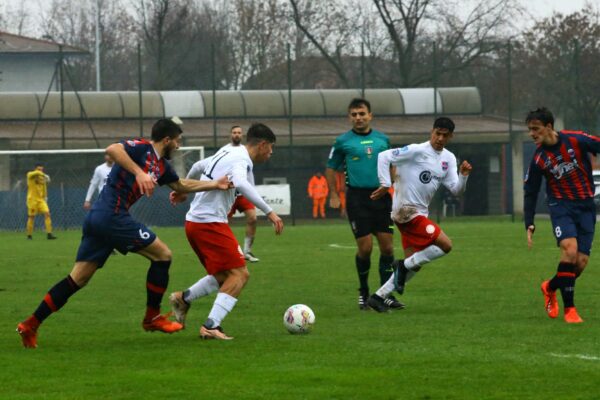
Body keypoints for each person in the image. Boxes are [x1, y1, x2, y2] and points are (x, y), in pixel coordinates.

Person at [16, 118, 231, 348]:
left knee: (77, 279)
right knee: (163, 255)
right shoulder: (142, 148)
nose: (178, 146)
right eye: (177, 141)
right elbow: (112, 149)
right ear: (167, 140)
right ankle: (152, 318)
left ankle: (30, 324)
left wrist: (214, 184)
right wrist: (139, 173)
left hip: (101, 219)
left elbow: (180, 185)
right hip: (111, 216)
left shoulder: (162, 168)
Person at [168, 123, 284, 340]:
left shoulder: (229, 150)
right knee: (240, 274)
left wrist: (182, 189)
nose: (271, 153)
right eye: (271, 148)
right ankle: (211, 326)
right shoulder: (241, 159)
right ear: (263, 144)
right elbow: (241, 182)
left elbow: (200, 165)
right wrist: (270, 212)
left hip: (196, 223)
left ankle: (183, 298)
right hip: (209, 223)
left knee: (224, 276)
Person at [366, 117, 472, 312]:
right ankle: (401, 267)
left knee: (415, 262)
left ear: (450, 136)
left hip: (419, 213)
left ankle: (378, 297)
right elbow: (384, 157)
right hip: (406, 211)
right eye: (437, 133)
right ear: (431, 132)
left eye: (444, 135)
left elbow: (456, 190)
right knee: (446, 245)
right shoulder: (417, 150)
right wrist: (385, 183)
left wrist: (464, 176)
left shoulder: (448, 159)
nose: (439, 138)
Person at [524, 107, 600, 324]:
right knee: (569, 250)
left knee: (580, 264)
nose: (532, 134)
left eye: (536, 129)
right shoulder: (538, 159)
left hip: (586, 206)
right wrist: (529, 222)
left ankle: (550, 287)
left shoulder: (575, 140)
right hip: (561, 207)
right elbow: (530, 192)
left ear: (549, 127)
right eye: (530, 129)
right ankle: (570, 311)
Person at [325, 98, 403, 311]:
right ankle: (364, 292)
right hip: (357, 199)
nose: (358, 118)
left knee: (387, 248)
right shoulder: (342, 142)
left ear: (370, 115)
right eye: (354, 114)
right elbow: (331, 167)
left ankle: (385, 295)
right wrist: (333, 194)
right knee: (366, 248)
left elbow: (392, 165)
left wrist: (392, 187)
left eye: (362, 113)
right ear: (349, 117)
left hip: (382, 198)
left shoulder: (383, 140)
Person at [226, 125, 260, 262]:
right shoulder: (225, 150)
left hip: (243, 193)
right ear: (230, 135)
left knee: (253, 218)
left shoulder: (246, 151)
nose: (236, 135)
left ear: (242, 136)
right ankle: (229, 252)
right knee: (223, 224)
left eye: (239, 133)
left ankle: (247, 251)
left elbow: (249, 171)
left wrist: (251, 189)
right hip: (229, 193)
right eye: (234, 132)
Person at [26, 163, 57, 240]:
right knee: (32, 217)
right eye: (39, 169)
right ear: (35, 169)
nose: (40, 171)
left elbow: (44, 187)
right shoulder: (30, 175)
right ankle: (29, 235)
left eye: (42, 169)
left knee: (47, 214)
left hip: (41, 200)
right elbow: (35, 173)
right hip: (32, 200)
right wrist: (44, 175)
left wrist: (45, 197)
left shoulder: (42, 178)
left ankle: (49, 234)